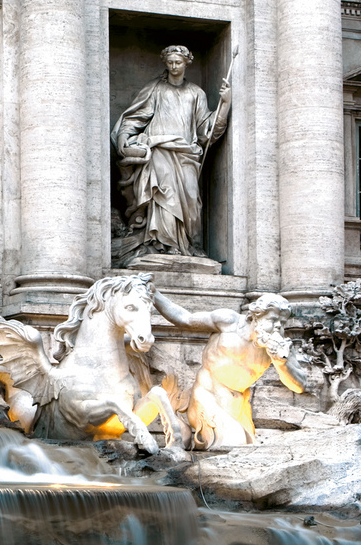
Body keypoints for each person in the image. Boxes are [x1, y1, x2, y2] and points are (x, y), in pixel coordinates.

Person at [112, 45, 229, 262]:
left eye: (178, 62)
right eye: (170, 62)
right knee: (163, 196)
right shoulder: (155, 89)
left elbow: (207, 131)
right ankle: (163, 244)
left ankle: (187, 244)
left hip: (187, 154)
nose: (174, 66)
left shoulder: (196, 93)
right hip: (159, 150)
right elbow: (135, 118)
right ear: (165, 63)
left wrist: (225, 104)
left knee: (191, 200)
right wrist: (124, 138)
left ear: (187, 63)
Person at [153, 291, 306, 448]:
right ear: (255, 316)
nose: (278, 326)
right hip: (207, 396)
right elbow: (185, 319)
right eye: (273, 319)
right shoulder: (229, 322)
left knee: (245, 449)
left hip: (239, 406)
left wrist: (281, 362)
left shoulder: (281, 346)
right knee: (235, 442)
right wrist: (153, 295)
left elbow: (299, 386)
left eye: (282, 321)